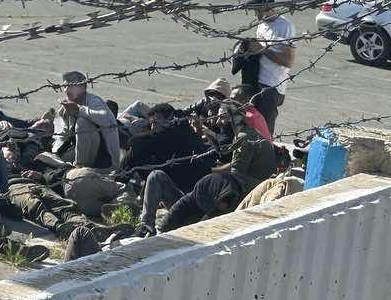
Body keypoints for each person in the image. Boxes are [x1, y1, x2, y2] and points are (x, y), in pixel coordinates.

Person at [154, 104, 279, 233]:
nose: (219, 122)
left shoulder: (243, 137)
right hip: (255, 186)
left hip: (245, 192)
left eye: (223, 117)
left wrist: (209, 173)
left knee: (205, 185)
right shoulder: (251, 134)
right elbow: (224, 153)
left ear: (234, 119)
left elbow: (236, 175)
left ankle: (168, 229)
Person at [120, 103, 215, 233]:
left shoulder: (178, 134)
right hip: (181, 199)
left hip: (192, 208)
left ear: (170, 119)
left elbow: (136, 141)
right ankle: (123, 188)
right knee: (141, 156)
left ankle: (145, 225)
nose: (153, 126)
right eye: (151, 123)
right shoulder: (176, 132)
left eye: (156, 122)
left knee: (155, 174)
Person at [245, 0, 295, 133]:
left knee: (264, 129)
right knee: (251, 127)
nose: (255, 13)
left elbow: (288, 61)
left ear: (268, 6)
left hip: (271, 86)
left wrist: (262, 49)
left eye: (257, 8)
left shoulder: (285, 26)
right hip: (256, 82)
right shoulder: (261, 26)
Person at [50, 70, 121, 170]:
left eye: (69, 85)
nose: (65, 91)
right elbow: (62, 135)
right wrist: (55, 152)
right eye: (64, 86)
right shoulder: (65, 109)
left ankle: (79, 167)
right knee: (46, 159)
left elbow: (104, 118)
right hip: (80, 150)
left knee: (82, 123)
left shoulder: (94, 101)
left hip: (105, 161)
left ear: (82, 87)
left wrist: (78, 109)